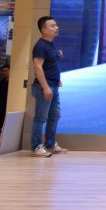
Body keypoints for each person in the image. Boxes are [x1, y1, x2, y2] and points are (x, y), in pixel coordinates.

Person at [31, 16, 68, 157]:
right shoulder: (40, 46)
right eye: (52, 26)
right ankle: (36, 147)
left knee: (55, 115)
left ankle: (50, 144)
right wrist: (45, 87)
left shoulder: (50, 44)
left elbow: (49, 64)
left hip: (53, 85)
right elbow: (38, 67)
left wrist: (56, 79)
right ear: (43, 30)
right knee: (40, 118)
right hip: (44, 87)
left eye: (56, 25)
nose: (56, 27)